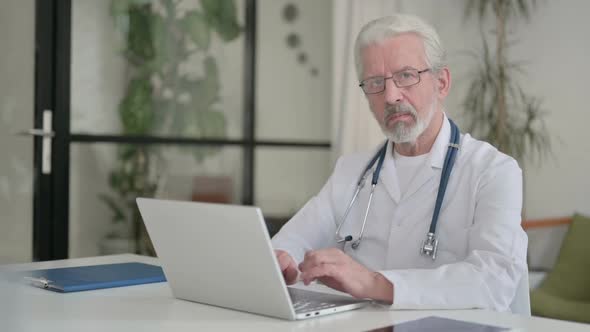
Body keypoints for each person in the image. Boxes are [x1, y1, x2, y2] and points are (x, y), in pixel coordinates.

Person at [271, 14, 527, 311]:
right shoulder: (352, 171)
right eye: (376, 83)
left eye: (406, 75)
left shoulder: (493, 171)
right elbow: (290, 241)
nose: (391, 96)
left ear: (441, 83)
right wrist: (282, 260)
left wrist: (373, 283)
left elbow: (494, 281)